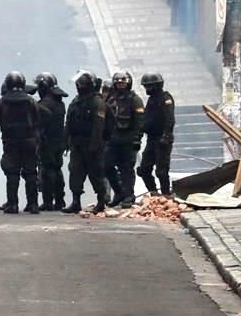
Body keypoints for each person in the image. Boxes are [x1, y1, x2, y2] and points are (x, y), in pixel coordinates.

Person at [0, 71, 41, 214]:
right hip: (29, 140)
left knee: (12, 172)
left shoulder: (2, 102)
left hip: (10, 141)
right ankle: (33, 204)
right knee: (31, 172)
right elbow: (38, 120)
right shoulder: (31, 101)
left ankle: (12, 204)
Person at [63, 71, 108, 214]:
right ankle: (76, 201)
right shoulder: (76, 102)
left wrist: (95, 145)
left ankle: (101, 201)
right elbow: (68, 122)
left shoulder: (96, 101)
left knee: (96, 173)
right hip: (77, 144)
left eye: (82, 84)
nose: (79, 87)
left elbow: (98, 125)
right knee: (75, 172)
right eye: (78, 84)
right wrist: (66, 141)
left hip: (92, 144)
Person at [104, 71, 145, 208]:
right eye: (118, 83)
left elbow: (140, 121)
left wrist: (137, 139)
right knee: (106, 166)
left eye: (123, 82)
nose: (120, 85)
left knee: (126, 168)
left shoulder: (134, 99)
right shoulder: (111, 99)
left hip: (127, 139)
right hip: (113, 138)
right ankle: (119, 192)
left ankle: (128, 195)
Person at [138, 73, 175, 197]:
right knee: (144, 169)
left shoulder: (165, 98)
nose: (147, 89)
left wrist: (166, 135)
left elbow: (170, 119)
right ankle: (154, 193)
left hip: (162, 139)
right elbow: (147, 119)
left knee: (161, 171)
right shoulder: (151, 100)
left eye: (150, 86)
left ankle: (166, 195)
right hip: (151, 139)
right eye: (146, 87)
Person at [34, 72, 67, 211]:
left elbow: (39, 123)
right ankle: (60, 200)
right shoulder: (60, 103)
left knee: (47, 171)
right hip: (59, 140)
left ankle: (48, 201)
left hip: (47, 141)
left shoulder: (44, 104)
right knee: (57, 169)